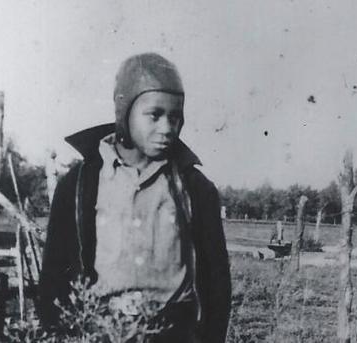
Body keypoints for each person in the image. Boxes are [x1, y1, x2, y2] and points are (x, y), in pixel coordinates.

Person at [38, 52, 231, 342]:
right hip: (100, 330)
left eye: (176, 117)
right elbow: (53, 273)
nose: (167, 128)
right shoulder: (79, 185)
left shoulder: (195, 188)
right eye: (154, 115)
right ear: (124, 111)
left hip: (175, 332)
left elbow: (217, 281)